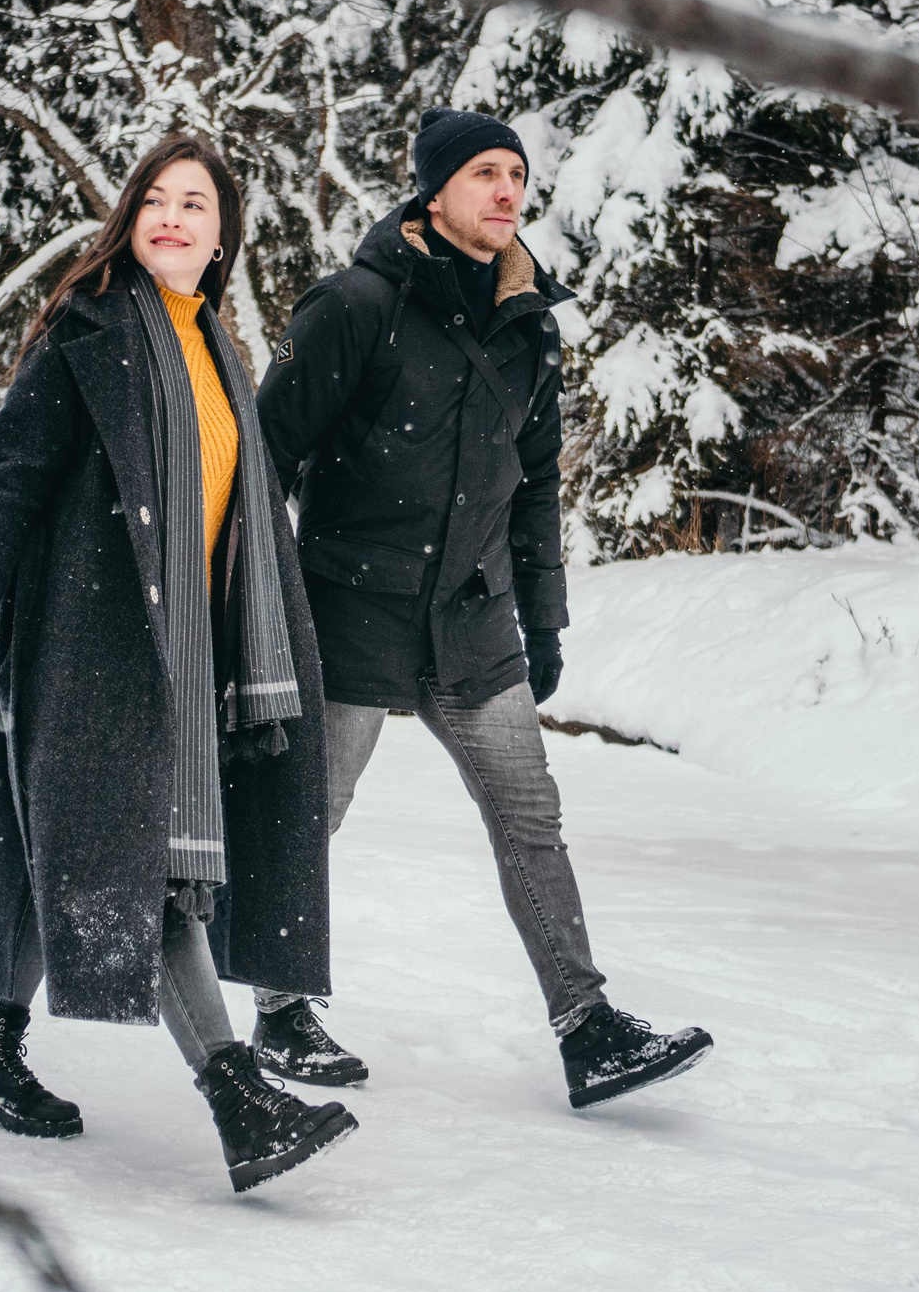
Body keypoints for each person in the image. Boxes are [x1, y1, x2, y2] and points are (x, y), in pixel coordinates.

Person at [0, 133, 356, 1194]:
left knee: (36, 846)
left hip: (175, 653)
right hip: (84, 649)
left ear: (222, 235)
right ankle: (237, 1096)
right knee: (127, 863)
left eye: (194, 204)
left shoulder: (214, 349)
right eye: (154, 199)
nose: (171, 218)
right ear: (128, 217)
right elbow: (5, 479)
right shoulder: (93, 329)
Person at [251, 106, 714, 1110]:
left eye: (516, 174)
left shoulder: (526, 323)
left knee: (529, 818)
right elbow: (260, 459)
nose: (507, 192)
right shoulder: (354, 306)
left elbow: (534, 483)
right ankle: (278, 1011)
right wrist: (259, 605)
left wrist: (541, 620)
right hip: (348, 610)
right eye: (484, 175)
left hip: (470, 616)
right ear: (434, 192)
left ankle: (587, 1029)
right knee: (309, 814)